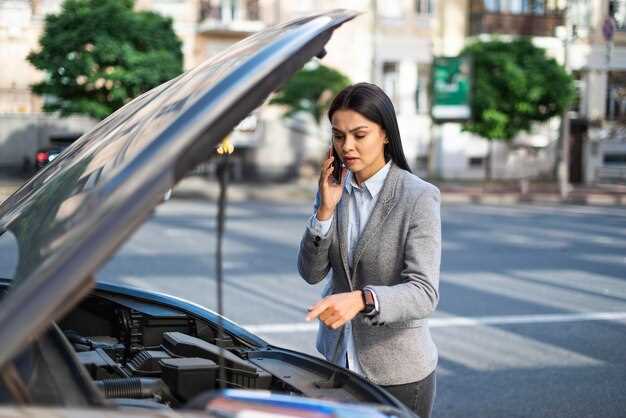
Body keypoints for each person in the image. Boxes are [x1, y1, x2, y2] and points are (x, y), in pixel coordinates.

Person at [297, 82, 441, 418]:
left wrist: (363, 299)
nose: (347, 146)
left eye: (359, 135)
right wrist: (324, 212)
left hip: (397, 372)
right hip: (338, 362)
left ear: (385, 134)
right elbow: (311, 272)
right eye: (338, 135)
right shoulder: (333, 189)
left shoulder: (418, 196)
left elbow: (424, 293)